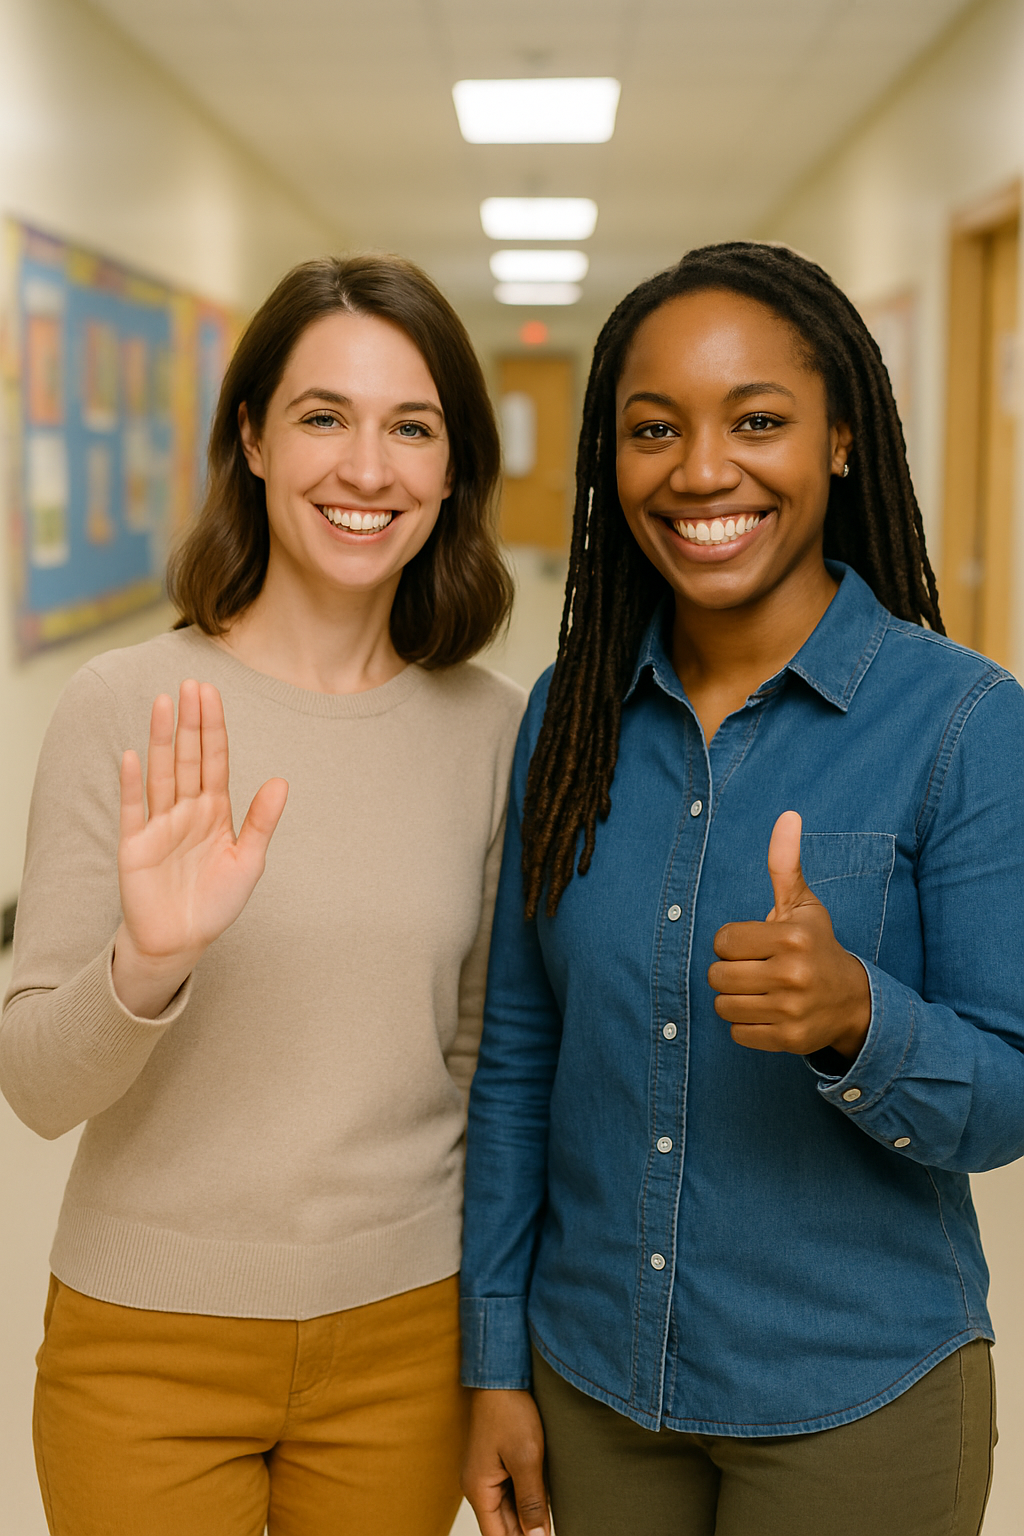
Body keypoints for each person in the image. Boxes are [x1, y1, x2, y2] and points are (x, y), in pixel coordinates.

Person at [459, 241, 1023, 1536]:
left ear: (839, 439)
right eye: (655, 428)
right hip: (594, 1383)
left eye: (756, 420)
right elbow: (518, 1058)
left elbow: (1009, 1092)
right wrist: (493, 1355)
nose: (702, 469)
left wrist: (857, 1021)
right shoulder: (571, 717)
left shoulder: (966, 725)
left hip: (859, 1402)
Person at [1, 253, 525, 1536]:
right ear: (249, 436)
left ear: (454, 468)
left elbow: (479, 1058)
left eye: (412, 426)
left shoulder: (494, 731)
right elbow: (35, 1084)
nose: (367, 468)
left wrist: (493, 1352)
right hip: (146, 1346)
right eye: (322, 417)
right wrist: (148, 964)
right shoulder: (125, 706)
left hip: (403, 1339)